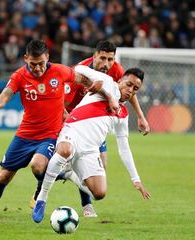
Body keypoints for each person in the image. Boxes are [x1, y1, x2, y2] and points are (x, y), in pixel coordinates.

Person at [0, 39, 113, 227]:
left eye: (41, 64)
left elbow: (84, 80)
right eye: (33, 64)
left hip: (50, 135)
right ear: (25, 58)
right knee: (3, 176)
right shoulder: (19, 76)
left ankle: (46, 189)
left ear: (48, 58)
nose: (37, 68)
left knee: (37, 165)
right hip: (24, 135)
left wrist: (102, 92)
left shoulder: (60, 71)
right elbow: (3, 98)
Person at [30, 40, 150, 218]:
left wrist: (136, 179)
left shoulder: (122, 114)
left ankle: (70, 173)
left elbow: (124, 148)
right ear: (121, 80)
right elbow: (76, 72)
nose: (130, 90)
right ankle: (42, 198)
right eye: (128, 85)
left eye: (135, 89)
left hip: (91, 147)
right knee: (64, 150)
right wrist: (106, 93)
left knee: (100, 193)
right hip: (72, 128)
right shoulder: (107, 80)